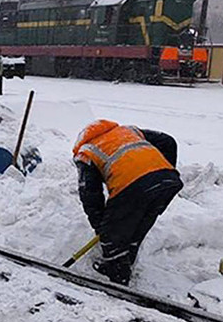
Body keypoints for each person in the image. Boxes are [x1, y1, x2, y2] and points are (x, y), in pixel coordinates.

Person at [73, 119, 183, 285]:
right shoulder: (128, 131)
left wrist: (101, 228)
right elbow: (168, 141)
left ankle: (118, 278)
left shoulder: (86, 152)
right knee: (136, 227)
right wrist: (165, 170)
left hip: (133, 186)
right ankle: (125, 263)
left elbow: (90, 193)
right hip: (168, 182)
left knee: (112, 237)